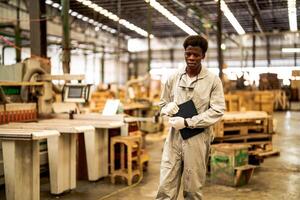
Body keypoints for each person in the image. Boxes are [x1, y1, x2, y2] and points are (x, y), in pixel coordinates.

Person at [156, 35, 225, 200]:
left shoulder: (213, 80)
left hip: (198, 138)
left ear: (203, 56)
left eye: (196, 54)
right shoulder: (174, 77)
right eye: (188, 54)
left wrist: (188, 122)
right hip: (174, 138)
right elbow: (162, 103)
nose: (191, 58)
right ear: (184, 54)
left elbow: (218, 110)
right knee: (165, 186)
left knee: (193, 189)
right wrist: (167, 108)